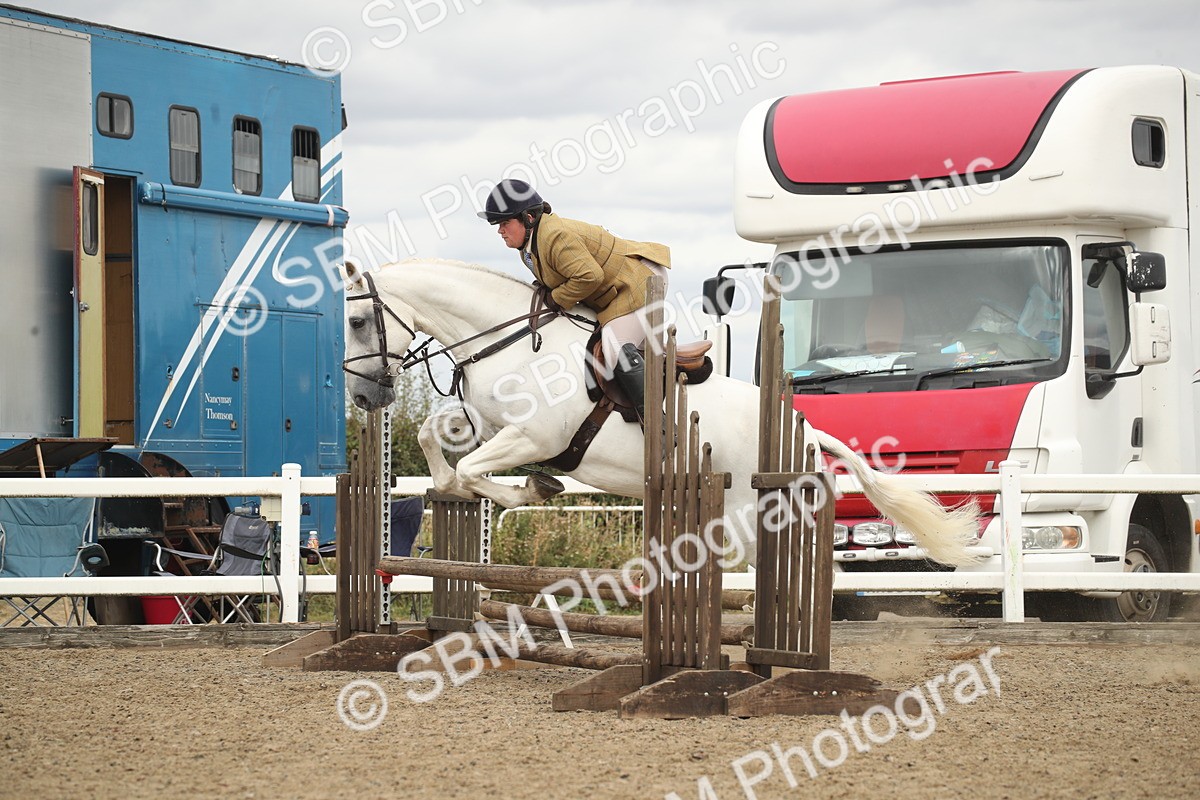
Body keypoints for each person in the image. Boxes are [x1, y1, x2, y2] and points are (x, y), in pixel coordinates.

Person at [478, 178, 671, 424]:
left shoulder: (555, 236)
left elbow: (589, 276)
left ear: (528, 218)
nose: (499, 230)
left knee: (614, 348)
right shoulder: (530, 246)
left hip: (639, 281)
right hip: (614, 289)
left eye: (504, 223)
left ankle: (657, 424)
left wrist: (556, 298)